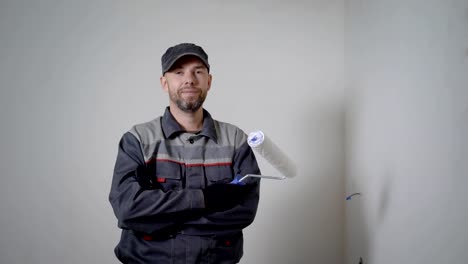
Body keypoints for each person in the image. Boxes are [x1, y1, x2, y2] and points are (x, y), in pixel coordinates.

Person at [109, 43, 261, 264]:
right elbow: (128, 208)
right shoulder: (138, 139)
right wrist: (206, 198)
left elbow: (244, 212)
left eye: (198, 71)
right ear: (164, 82)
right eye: (179, 72)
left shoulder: (236, 140)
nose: (189, 79)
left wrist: (159, 217)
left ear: (209, 81)